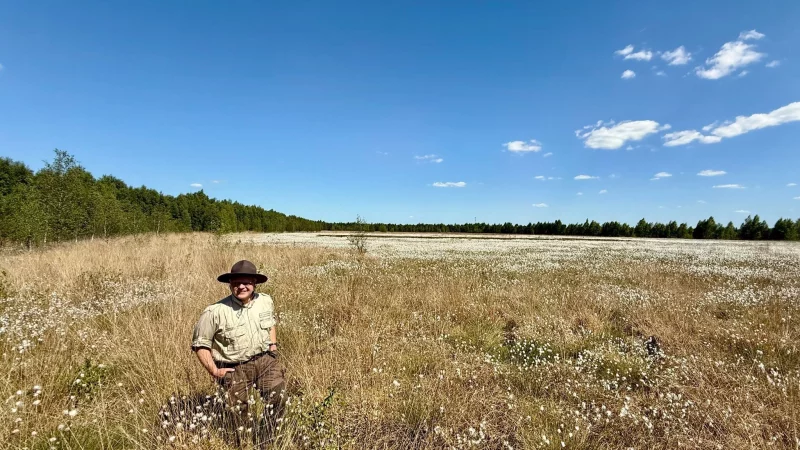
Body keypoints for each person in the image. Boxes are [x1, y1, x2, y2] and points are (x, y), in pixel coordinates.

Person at [191, 260, 286, 435]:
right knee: (239, 414)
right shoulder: (214, 311)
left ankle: (268, 439)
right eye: (236, 283)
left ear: (254, 283)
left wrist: (273, 347)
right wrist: (214, 371)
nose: (241, 286)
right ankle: (242, 442)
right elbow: (200, 345)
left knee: (278, 400)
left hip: (266, 361)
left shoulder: (265, 301)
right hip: (235, 369)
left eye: (246, 282)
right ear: (230, 284)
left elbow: (270, 324)